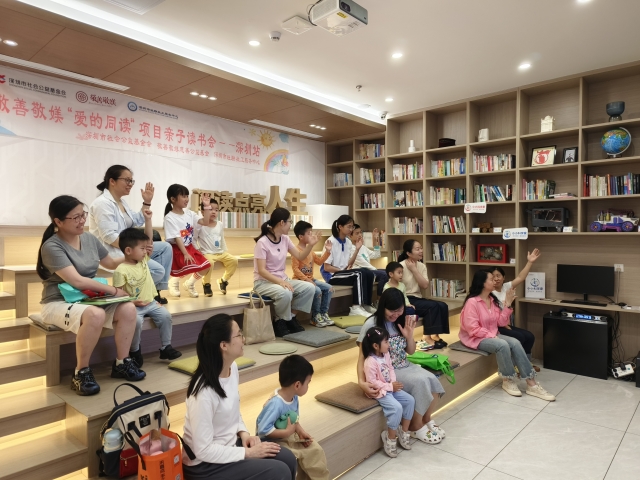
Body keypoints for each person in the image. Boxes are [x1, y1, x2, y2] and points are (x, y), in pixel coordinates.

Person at [37, 196, 145, 396]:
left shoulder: (89, 239)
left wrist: (132, 255)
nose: (82, 221)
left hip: (89, 299)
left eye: (83, 215)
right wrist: (113, 290)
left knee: (128, 309)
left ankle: (122, 363)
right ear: (58, 221)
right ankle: (81, 372)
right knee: (95, 314)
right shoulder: (52, 246)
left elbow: (110, 263)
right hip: (57, 302)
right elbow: (77, 281)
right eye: (76, 217)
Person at [182, 314, 297, 480]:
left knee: (288, 459)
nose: (243, 339)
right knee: (279, 471)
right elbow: (203, 450)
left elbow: (233, 411)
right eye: (239, 335)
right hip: (204, 465)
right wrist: (248, 452)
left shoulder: (232, 368)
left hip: (228, 446)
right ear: (224, 345)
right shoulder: (203, 393)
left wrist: (244, 434)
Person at [356, 288, 445, 444]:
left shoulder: (402, 320)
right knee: (420, 382)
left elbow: (410, 351)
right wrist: (361, 382)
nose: (396, 314)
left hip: (405, 364)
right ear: (383, 306)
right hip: (387, 372)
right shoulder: (371, 324)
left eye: (400, 310)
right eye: (392, 310)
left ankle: (426, 419)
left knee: (432, 379)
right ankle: (415, 426)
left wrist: (409, 336)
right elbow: (362, 357)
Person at [458, 270, 555, 401]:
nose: (495, 281)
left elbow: (501, 322)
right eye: (491, 279)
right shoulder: (472, 302)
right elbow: (472, 329)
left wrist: (507, 305)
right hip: (475, 338)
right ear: (482, 283)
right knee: (502, 345)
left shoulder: (492, 300)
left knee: (515, 342)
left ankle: (531, 384)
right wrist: (491, 335)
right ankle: (507, 380)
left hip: (492, 334)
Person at [89, 165, 172, 304]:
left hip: (128, 247)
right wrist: (136, 249)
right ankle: (134, 294)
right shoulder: (102, 203)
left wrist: (147, 202)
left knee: (165, 247)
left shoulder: (121, 202)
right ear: (112, 181)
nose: (130, 184)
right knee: (158, 271)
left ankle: (155, 291)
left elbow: (137, 220)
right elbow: (109, 237)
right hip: (112, 253)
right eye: (127, 180)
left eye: (131, 181)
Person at [113, 222, 182, 368]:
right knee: (136, 323)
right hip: (133, 307)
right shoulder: (121, 270)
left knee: (165, 316)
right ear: (128, 250)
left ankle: (166, 347)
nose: (146, 251)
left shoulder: (143, 261)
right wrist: (133, 303)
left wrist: (148, 219)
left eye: (146, 248)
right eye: (142, 249)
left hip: (151, 303)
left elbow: (149, 240)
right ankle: (134, 351)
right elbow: (118, 294)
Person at [256, 355, 330, 480]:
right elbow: (263, 430)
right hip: (271, 441)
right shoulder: (275, 404)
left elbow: (294, 419)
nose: (308, 386)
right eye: (308, 383)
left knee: (315, 450)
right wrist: (287, 432)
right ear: (297, 385)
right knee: (294, 457)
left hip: (287, 435)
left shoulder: (294, 397)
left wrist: (300, 431)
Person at [253, 208, 319, 338]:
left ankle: (290, 318)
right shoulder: (262, 243)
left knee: (310, 288)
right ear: (282, 223)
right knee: (286, 292)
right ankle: (279, 321)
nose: (290, 225)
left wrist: (310, 245)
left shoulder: (285, 239)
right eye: (290, 222)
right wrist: (280, 282)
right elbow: (262, 270)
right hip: (263, 283)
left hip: (282, 280)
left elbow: (300, 256)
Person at [361, 326, 414, 458]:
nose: (388, 344)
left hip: (390, 388)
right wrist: (390, 386)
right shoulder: (370, 362)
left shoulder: (386, 354)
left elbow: (390, 368)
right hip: (379, 391)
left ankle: (403, 431)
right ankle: (390, 438)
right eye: (386, 342)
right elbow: (372, 382)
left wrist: (393, 383)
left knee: (410, 400)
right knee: (396, 408)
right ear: (375, 345)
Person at [490, 248, 541, 372]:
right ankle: (516, 365)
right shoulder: (489, 292)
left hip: (505, 323)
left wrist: (530, 262)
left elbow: (521, 277)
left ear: (503, 277)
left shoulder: (506, 287)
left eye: (498, 275)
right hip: (496, 326)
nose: (496, 279)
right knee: (519, 337)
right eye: (493, 276)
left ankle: (526, 363)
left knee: (530, 336)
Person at [398, 239, 450, 349]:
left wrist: (414, 270)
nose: (421, 251)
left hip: (417, 298)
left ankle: (435, 335)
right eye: (417, 249)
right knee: (432, 306)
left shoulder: (421, 266)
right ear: (408, 253)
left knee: (443, 305)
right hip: (405, 299)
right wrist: (412, 269)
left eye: (421, 248)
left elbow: (425, 285)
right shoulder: (400, 266)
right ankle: (426, 337)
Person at [321, 215, 376, 317]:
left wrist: (357, 249)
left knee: (368, 273)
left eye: (352, 227)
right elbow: (326, 267)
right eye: (349, 226)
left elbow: (349, 264)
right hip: (332, 276)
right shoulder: (331, 241)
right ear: (340, 227)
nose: (351, 229)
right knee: (359, 274)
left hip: (343, 273)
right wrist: (342, 271)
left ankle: (366, 304)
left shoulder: (348, 242)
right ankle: (356, 307)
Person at [163, 185, 212, 298]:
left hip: (189, 247)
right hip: (177, 249)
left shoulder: (189, 213)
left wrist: (207, 206)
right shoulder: (169, 217)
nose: (186, 199)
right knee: (186, 267)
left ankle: (189, 284)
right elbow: (177, 237)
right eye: (183, 196)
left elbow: (205, 222)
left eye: (187, 196)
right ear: (173, 199)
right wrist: (185, 253)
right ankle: (173, 282)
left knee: (206, 266)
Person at [291, 221, 335, 328]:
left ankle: (323, 313)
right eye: (309, 233)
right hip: (300, 281)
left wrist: (328, 251)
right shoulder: (296, 250)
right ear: (301, 237)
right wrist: (307, 280)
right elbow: (295, 269)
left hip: (311, 279)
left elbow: (319, 262)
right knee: (317, 290)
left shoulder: (310, 250)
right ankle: (315, 316)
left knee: (329, 288)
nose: (312, 235)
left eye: (311, 232)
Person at [197, 198, 238, 296]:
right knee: (209, 263)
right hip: (207, 253)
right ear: (203, 212)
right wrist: (198, 252)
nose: (214, 212)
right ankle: (206, 284)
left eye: (216, 210)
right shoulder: (200, 225)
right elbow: (194, 239)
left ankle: (223, 280)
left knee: (234, 260)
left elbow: (222, 238)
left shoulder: (219, 224)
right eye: (210, 209)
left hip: (220, 252)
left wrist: (224, 250)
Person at [349, 225, 388, 295]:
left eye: (360, 232)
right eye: (357, 233)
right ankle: (379, 299)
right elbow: (364, 263)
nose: (360, 235)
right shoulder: (351, 249)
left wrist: (375, 240)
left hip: (369, 270)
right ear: (350, 236)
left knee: (389, 271)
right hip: (361, 272)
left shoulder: (363, 247)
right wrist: (376, 270)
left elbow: (376, 255)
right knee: (384, 274)